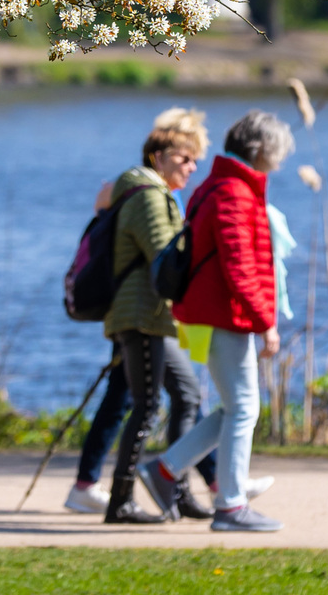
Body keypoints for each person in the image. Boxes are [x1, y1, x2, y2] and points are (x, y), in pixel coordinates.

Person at [140, 110, 292, 533]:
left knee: (234, 407)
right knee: (243, 409)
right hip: (223, 314)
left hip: (214, 312)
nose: (280, 160)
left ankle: (166, 470)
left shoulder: (220, 184)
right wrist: (265, 322)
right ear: (260, 149)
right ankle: (230, 506)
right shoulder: (234, 192)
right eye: (278, 151)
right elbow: (239, 267)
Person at [67, 109, 217, 520]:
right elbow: (165, 256)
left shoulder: (149, 192)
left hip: (147, 316)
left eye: (195, 160)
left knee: (184, 395)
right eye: (184, 158)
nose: (192, 167)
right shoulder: (149, 195)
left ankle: (177, 491)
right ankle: (121, 500)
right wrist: (203, 238)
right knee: (148, 405)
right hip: (140, 315)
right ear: (158, 156)